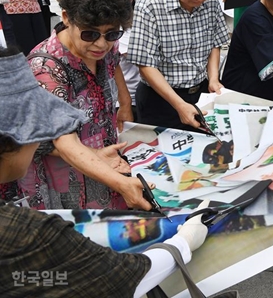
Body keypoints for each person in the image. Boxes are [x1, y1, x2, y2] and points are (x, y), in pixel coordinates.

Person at [0, 46, 211, 298]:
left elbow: (40, 279)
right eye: (42, 128)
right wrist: (185, 242)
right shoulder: (28, 232)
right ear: (16, 139)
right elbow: (117, 278)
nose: (42, 140)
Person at [19, 0, 148, 210]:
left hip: (105, 160)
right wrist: (119, 182)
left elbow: (114, 64)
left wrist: (124, 103)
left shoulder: (107, 46)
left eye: (111, 34)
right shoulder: (46, 69)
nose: (101, 44)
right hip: (66, 176)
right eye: (90, 34)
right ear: (67, 18)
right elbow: (65, 142)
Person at [127, 0, 230, 132]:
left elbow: (215, 42)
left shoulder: (211, 0)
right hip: (161, 99)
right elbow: (145, 64)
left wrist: (213, 78)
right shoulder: (150, 3)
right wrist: (178, 104)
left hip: (201, 93)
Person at [92, 0, 141, 121]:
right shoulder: (98, 24)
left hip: (132, 99)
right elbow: (143, 55)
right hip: (115, 103)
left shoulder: (132, 18)